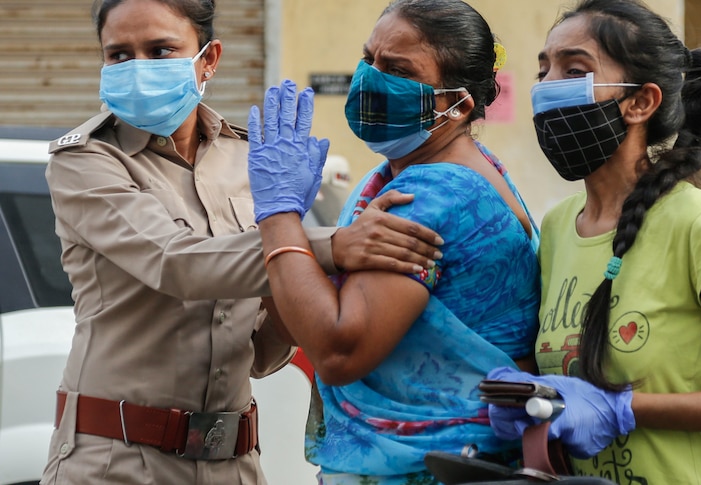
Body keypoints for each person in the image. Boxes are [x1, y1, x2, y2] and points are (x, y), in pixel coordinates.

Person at [41, 1, 444, 484]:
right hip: (116, 462)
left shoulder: (248, 159)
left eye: (161, 50)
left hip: (233, 461)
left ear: (208, 59)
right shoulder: (85, 162)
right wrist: (329, 246)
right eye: (119, 55)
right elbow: (175, 262)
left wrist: (308, 273)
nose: (139, 69)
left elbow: (260, 351)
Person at [483, 0, 701, 483]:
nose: (546, 88)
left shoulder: (699, 224)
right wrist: (530, 394)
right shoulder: (555, 228)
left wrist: (623, 409)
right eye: (543, 69)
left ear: (640, 102)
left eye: (574, 70)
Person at [247, 0, 541, 483]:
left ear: (458, 103)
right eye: (369, 59)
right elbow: (301, 319)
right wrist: (287, 233)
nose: (370, 78)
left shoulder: (437, 193)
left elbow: (339, 351)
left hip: (430, 466)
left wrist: (278, 216)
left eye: (397, 70)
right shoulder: (411, 178)